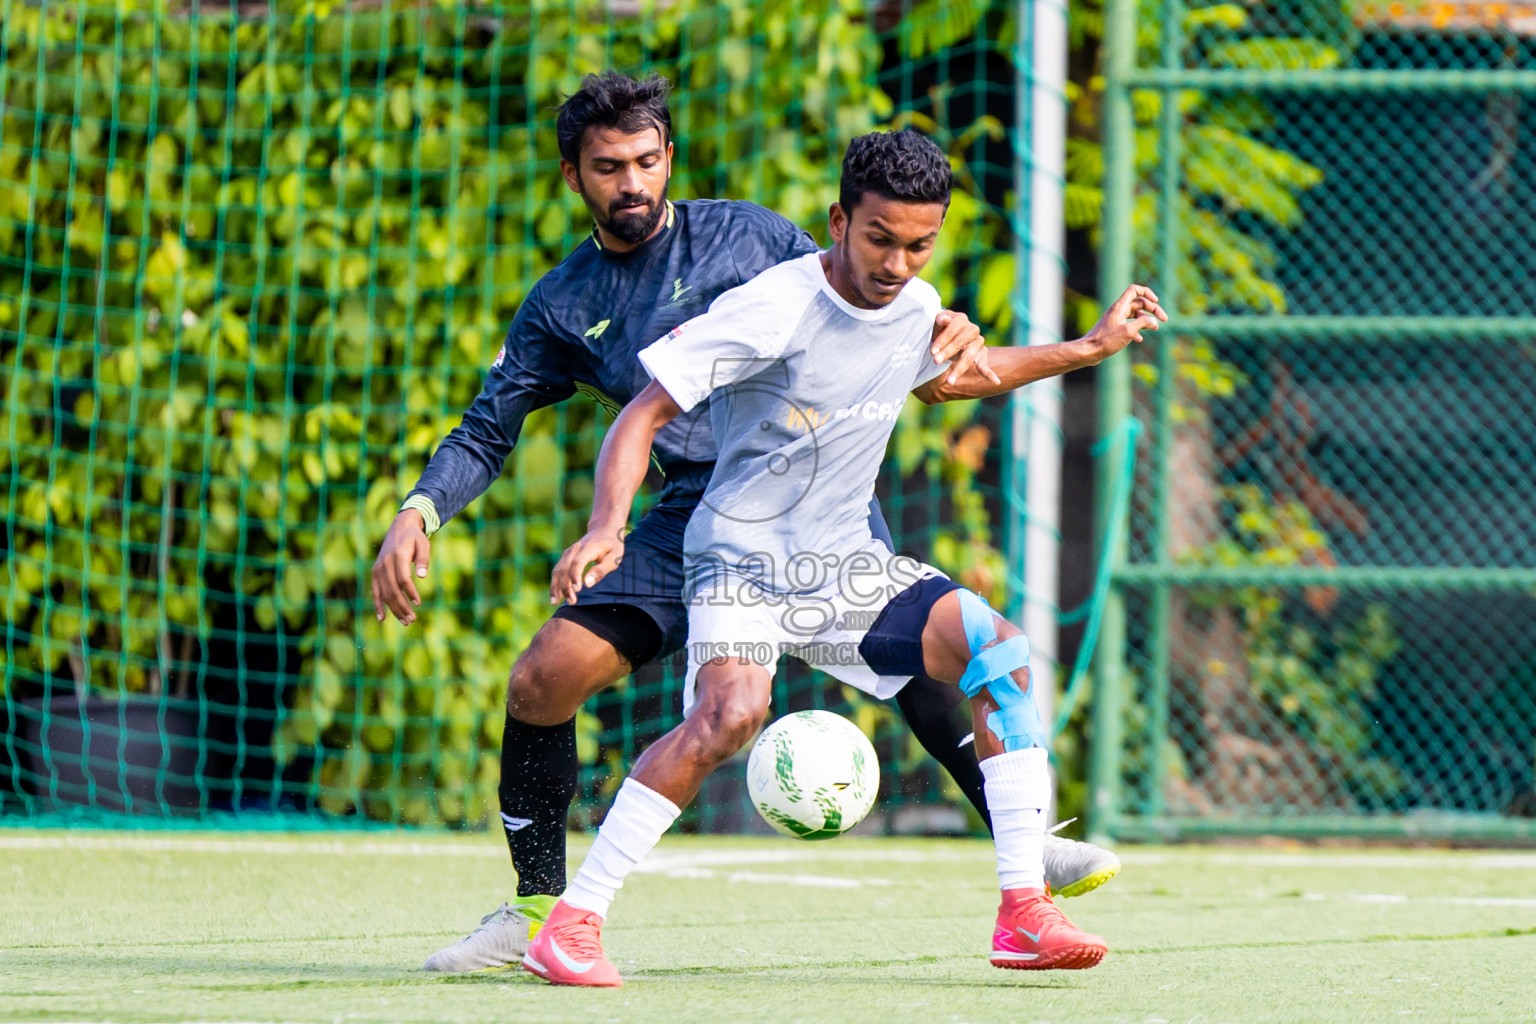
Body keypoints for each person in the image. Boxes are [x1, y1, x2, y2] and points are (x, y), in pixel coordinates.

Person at [371, 73, 1121, 974]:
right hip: (696, 517)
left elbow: (866, 307)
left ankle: (1022, 859)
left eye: (648, 161)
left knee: (958, 646)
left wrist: (969, 330)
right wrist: (426, 509)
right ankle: (543, 910)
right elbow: (504, 425)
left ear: (670, 160)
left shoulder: (758, 236)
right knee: (548, 679)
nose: (633, 182)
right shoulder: (565, 303)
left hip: (817, 512)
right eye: (610, 167)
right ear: (573, 175)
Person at [528, 129, 1164, 987]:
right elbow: (641, 412)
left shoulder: (917, 301)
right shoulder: (774, 306)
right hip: (742, 561)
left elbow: (948, 380)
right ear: (838, 220)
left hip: (843, 567)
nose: (898, 263)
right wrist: (608, 527)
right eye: (879, 239)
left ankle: (1023, 912)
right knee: (730, 717)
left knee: (996, 648)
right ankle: (572, 923)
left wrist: (1086, 348)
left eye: (918, 243)